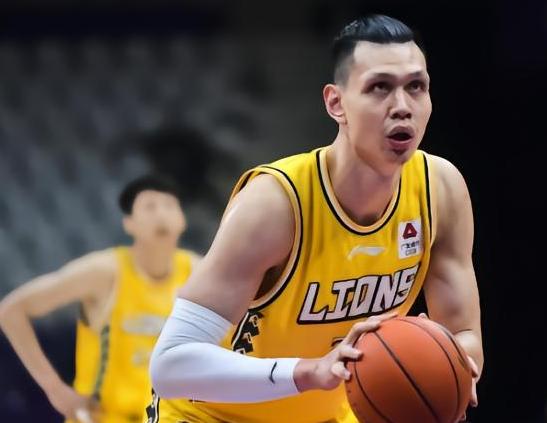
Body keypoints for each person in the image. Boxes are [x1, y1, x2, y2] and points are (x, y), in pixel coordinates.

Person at [149, 14, 483, 423]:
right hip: (210, 416)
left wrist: (443, 367)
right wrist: (309, 371)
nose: (402, 106)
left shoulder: (440, 189)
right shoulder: (275, 203)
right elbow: (170, 366)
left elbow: (464, 337)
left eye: (416, 87)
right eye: (380, 87)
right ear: (336, 103)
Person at [0, 175, 199, 423]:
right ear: (129, 224)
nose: (161, 215)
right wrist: (55, 389)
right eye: (150, 207)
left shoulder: (198, 273)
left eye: (169, 206)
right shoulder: (103, 272)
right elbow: (11, 311)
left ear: (182, 220)